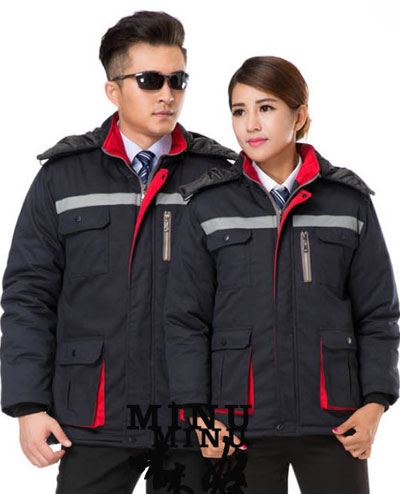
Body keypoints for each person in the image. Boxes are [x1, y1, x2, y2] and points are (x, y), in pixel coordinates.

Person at [0, 11, 238, 494]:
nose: (167, 94)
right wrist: (28, 405)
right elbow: (28, 296)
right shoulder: (64, 177)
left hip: (195, 420)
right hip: (93, 414)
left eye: (178, 80)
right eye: (150, 80)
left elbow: (247, 299)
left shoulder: (218, 176)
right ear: (113, 89)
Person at [164, 56, 400, 493]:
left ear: (300, 115)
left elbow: (378, 314)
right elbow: (185, 320)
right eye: (239, 111)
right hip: (237, 426)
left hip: (335, 421)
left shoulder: (347, 202)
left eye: (266, 108)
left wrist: (375, 404)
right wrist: (198, 416)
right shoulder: (209, 205)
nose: (251, 124)